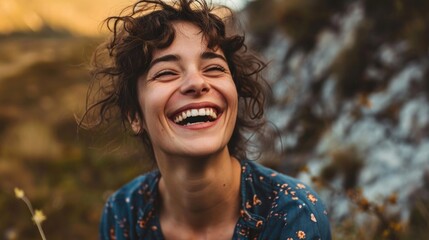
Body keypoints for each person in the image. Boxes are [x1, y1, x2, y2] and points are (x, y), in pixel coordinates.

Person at [82, 0, 331, 239]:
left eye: (214, 68)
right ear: (135, 116)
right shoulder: (124, 213)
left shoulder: (290, 214)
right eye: (166, 72)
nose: (197, 83)